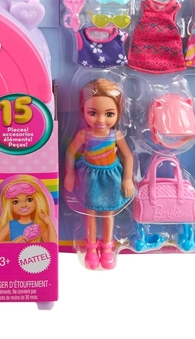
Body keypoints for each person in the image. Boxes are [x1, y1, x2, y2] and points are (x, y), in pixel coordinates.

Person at [64, 78, 134, 269]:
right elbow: (70, 152)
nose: (101, 120)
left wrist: (128, 179)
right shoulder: (84, 135)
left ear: (118, 112)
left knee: (109, 214)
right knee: (91, 214)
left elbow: (128, 156)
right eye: (93, 113)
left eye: (109, 114)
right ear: (83, 111)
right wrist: (70, 174)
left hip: (111, 177)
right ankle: (91, 248)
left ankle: (108, 247)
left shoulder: (115, 135)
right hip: (89, 177)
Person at [0, 177, 57, 250]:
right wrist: (12, 243)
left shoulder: (38, 225)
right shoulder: (11, 225)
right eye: (16, 202)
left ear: (36, 200)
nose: (23, 205)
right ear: (9, 205)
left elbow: (53, 247)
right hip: (14, 255)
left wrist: (50, 224)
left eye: (29, 200)